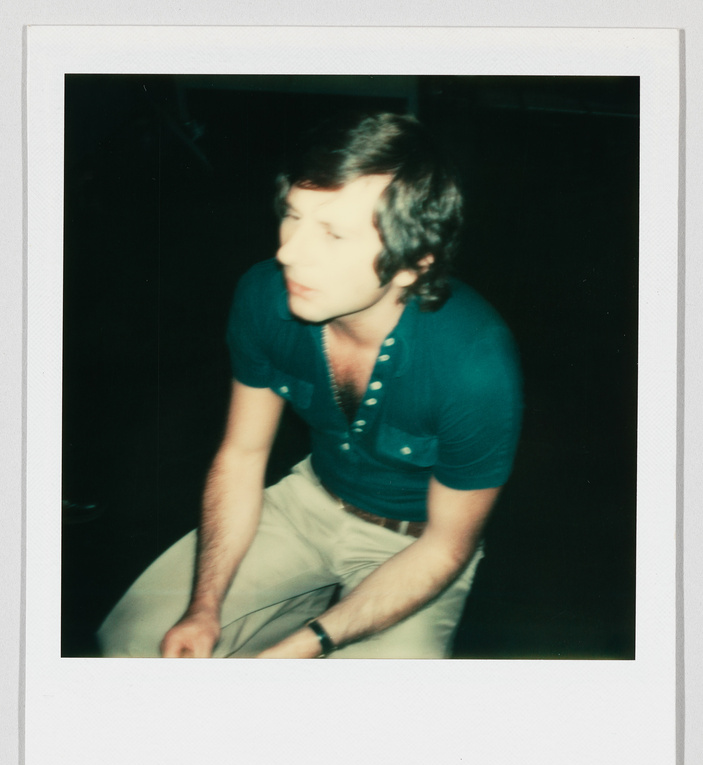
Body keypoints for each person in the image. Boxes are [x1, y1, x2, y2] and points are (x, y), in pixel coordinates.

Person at [98, 111, 523, 659]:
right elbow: (243, 454)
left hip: (412, 546)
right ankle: (285, 606)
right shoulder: (265, 297)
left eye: (333, 233)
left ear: (413, 264)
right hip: (308, 502)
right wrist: (203, 607)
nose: (289, 252)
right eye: (293, 217)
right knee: (134, 644)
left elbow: (447, 545)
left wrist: (308, 644)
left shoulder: (475, 364)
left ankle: (296, 620)